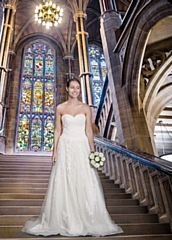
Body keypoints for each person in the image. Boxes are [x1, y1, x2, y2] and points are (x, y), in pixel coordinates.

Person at [22, 78, 123, 237]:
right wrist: (54, 151)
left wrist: (92, 151)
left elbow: (89, 131)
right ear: (67, 89)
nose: (75, 90)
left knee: (84, 179)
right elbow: (57, 130)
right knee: (65, 180)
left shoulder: (86, 108)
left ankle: (88, 218)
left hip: (82, 146)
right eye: (72, 87)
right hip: (65, 145)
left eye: (78, 88)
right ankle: (64, 219)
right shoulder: (60, 108)